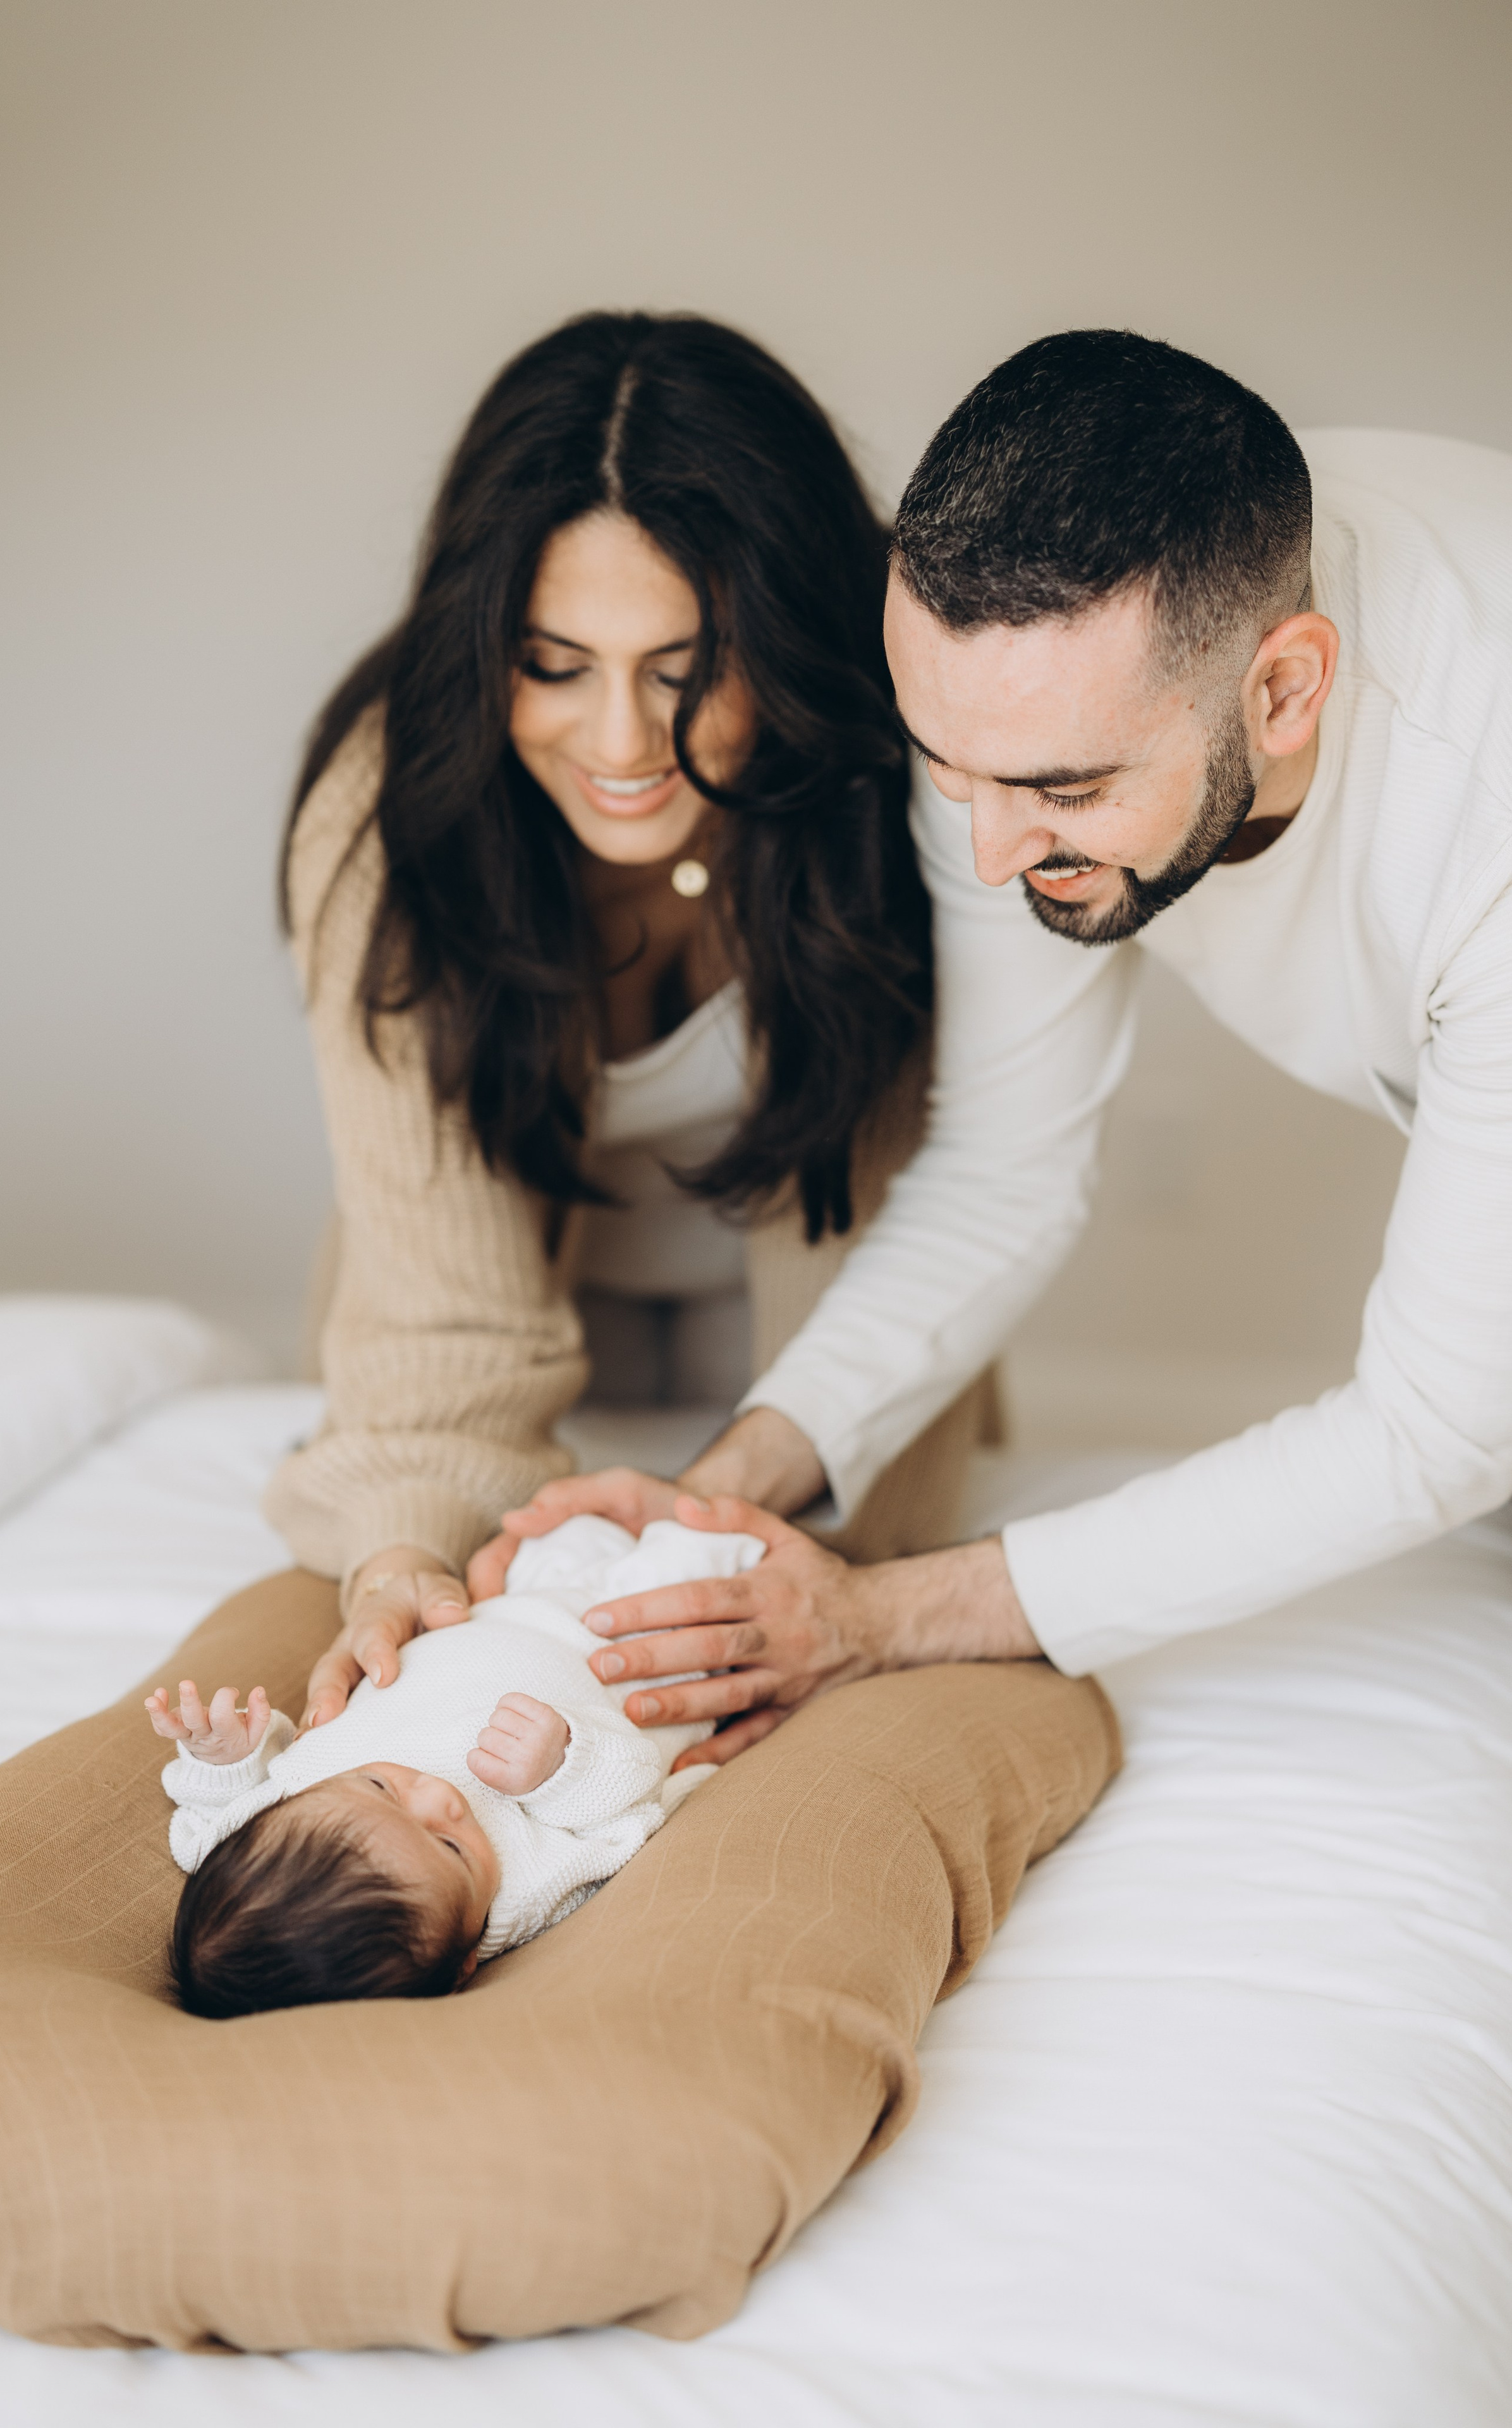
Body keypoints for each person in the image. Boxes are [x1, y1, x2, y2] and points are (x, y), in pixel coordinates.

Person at [489, 330, 1512, 1728]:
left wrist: (879, 1619)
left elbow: (1437, 1432)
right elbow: (1001, 1169)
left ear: (1283, 692)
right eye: (942, 769)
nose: (985, 858)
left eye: (1062, 792)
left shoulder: (1479, 807)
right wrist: (717, 1490)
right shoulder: (1019, 698)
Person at [262, 309, 1001, 1755]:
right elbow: (435, 1313)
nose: (616, 744)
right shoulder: (387, 811)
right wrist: (406, 1552)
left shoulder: (891, 798)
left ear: (783, 639)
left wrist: (760, 1545)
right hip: (506, 1322)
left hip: (798, 1343)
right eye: (552, 663)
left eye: (683, 670)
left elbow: (900, 1271)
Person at [149, 1514, 764, 2018]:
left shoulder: (279, 1822)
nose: (441, 1801)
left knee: (563, 1525)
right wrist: (561, 1766)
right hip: (634, 1652)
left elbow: (220, 1814)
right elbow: (632, 1813)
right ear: (464, 1957)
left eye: (379, 1786)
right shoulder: (529, 1889)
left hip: (509, 1606)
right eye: (449, 1847)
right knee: (706, 1542)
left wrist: (224, 1757)